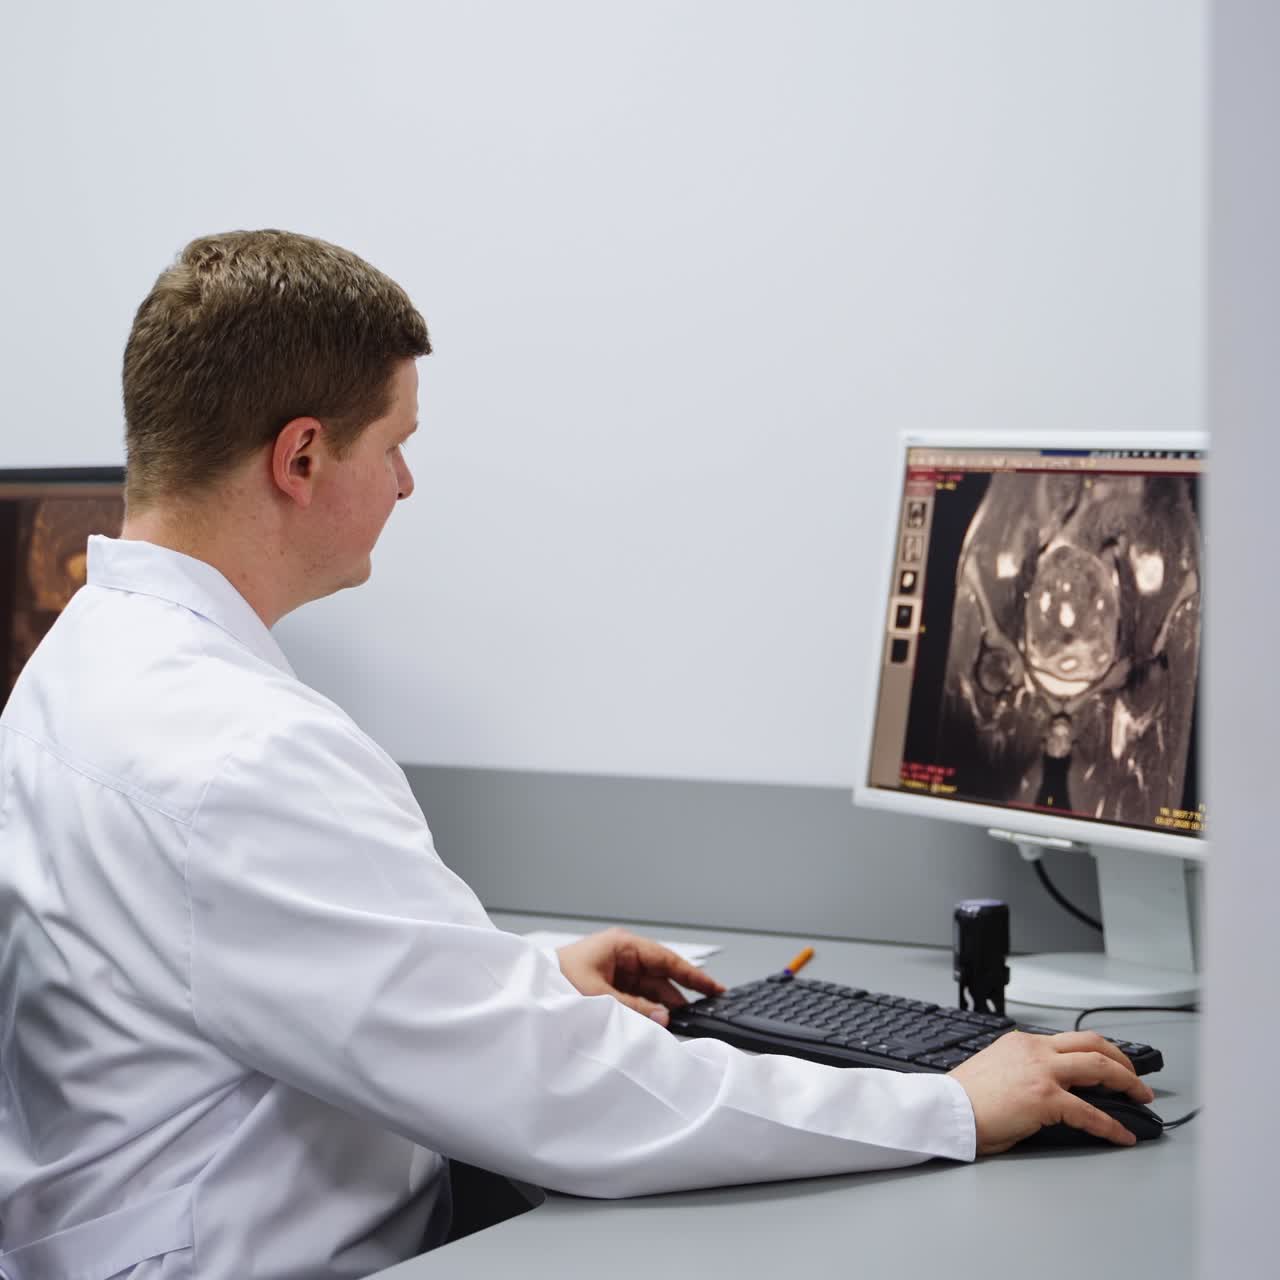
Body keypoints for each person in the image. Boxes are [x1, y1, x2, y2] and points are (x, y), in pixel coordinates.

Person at [0, 230, 1154, 1280]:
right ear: (300, 458)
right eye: (394, 444)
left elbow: (257, 959)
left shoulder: (79, 665)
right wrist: (950, 1106)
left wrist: (523, 972)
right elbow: (567, 1095)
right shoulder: (241, 750)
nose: (407, 482)